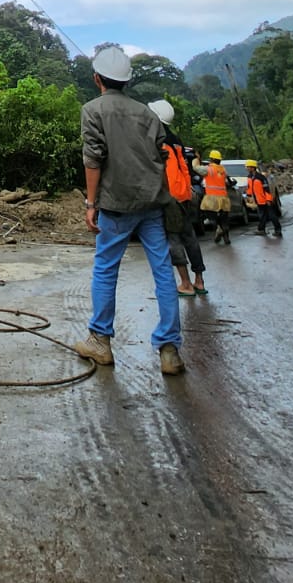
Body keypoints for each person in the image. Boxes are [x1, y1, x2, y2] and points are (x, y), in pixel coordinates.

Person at [74, 45, 185, 376]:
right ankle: (169, 351)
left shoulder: (92, 110)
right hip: (152, 203)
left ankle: (100, 341)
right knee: (163, 271)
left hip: (116, 205)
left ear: (97, 79)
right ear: (127, 81)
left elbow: (93, 159)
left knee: (106, 269)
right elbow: (160, 157)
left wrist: (91, 203)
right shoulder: (147, 114)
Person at [149, 99, 207, 297]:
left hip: (170, 196)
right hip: (184, 194)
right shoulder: (176, 140)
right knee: (190, 237)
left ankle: (185, 283)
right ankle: (199, 281)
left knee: (173, 239)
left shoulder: (157, 140)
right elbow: (185, 168)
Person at [202, 150, 232, 245]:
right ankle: (225, 236)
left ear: (211, 159)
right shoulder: (223, 170)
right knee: (224, 218)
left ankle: (219, 229)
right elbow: (227, 182)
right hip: (223, 197)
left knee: (211, 215)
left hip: (212, 198)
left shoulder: (208, 169)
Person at [246, 159, 282, 237]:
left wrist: (268, 200)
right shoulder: (250, 177)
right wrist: (249, 196)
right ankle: (261, 230)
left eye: (248, 167)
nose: (247, 168)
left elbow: (267, 190)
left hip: (265, 200)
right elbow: (249, 188)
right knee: (262, 215)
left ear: (253, 167)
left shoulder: (261, 177)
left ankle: (278, 230)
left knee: (272, 216)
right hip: (258, 200)